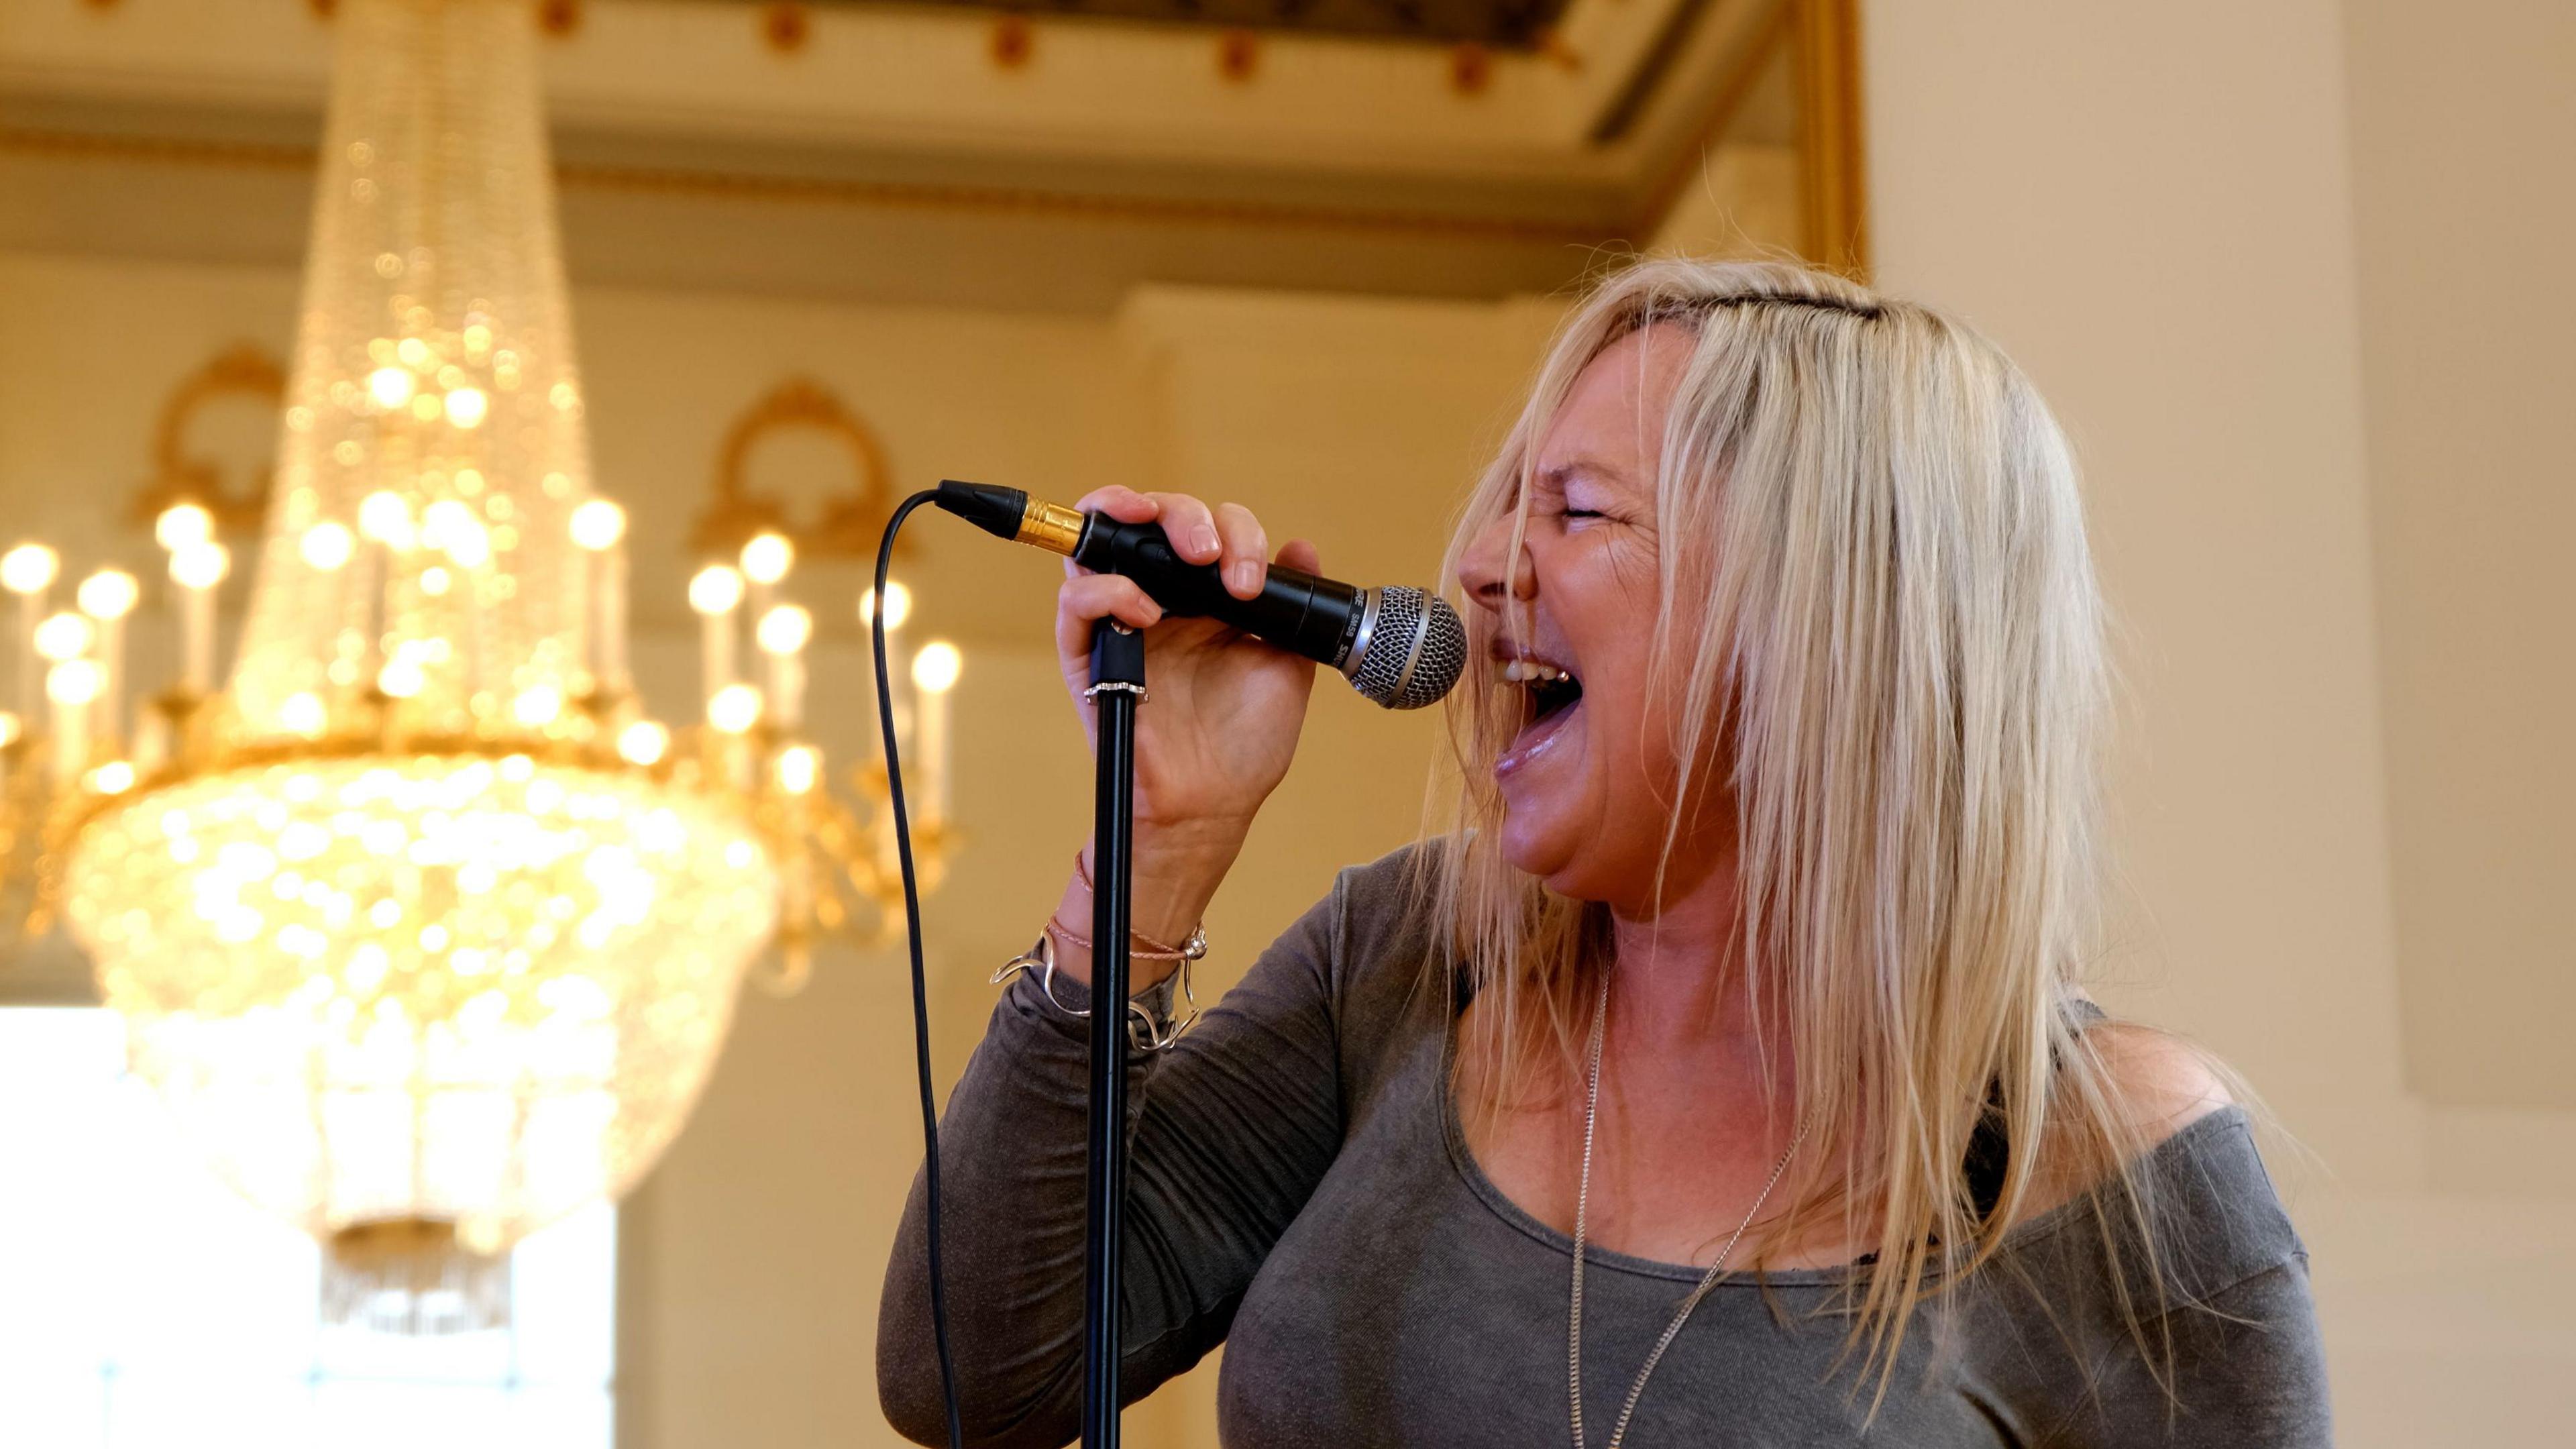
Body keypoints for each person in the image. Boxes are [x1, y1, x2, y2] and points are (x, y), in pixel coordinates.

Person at [879, 258, 2330, 1448]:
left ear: (1831, 619)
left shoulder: (2109, 1165)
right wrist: (1159, 848)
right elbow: (966, 1371)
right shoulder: (1400, 964)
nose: (1484, 564)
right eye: (1514, 499)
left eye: (1577, 510)